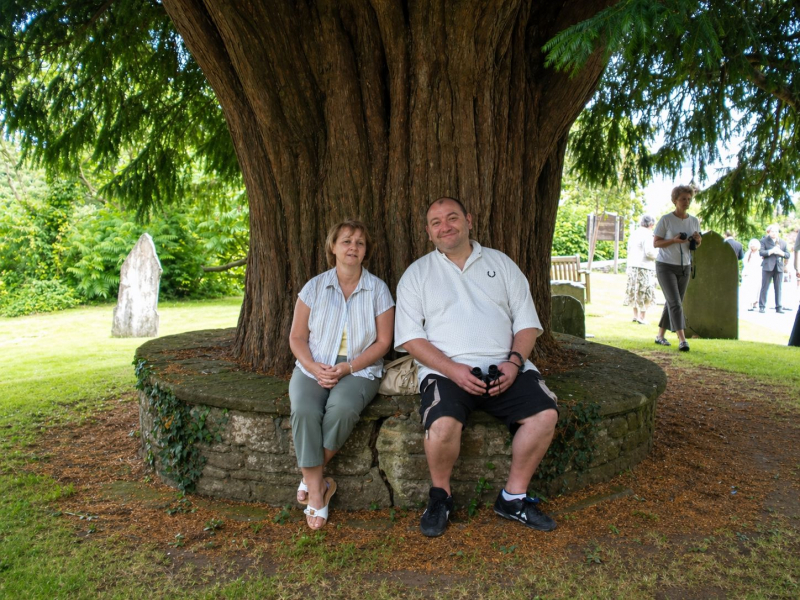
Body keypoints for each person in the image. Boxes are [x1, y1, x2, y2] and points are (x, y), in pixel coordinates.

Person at [394, 197, 559, 538]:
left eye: (452, 217)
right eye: (436, 222)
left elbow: (527, 323)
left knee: (545, 415)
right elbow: (411, 339)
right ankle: (440, 496)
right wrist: (453, 370)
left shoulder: (502, 264)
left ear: (468, 220)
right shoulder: (416, 275)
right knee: (442, 424)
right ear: (428, 232)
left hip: (505, 367)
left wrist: (514, 363)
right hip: (446, 371)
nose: (445, 226)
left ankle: (513, 498)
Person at [288, 220, 395, 530]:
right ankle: (319, 488)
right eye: (346, 241)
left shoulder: (378, 289)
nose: (353, 247)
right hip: (314, 365)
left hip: (360, 369)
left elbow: (384, 342)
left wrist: (349, 366)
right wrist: (312, 366)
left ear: (366, 252)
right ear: (332, 247)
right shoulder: (314, 287)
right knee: (305, 410)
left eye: (360, 243)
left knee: (343, 409)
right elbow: (296, 338)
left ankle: (312, 480)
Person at [652, 185, 703, 351]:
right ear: (675, 200)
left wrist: (697, 240)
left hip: (685, 267)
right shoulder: (666, 219)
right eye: (683, 199)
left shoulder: (694, 221)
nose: (686, 202)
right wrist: (673, 240)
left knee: (673, 302)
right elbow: (656, 243)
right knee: (675, 303)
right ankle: (682, 340)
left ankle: (660, 336)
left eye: (689, 199)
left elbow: (698, 243)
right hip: (666, 266)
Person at [623, 215, 658, 324]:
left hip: (632, 265)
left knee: (634, 290)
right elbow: (649, 252)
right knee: (645, 291)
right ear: (651, 224)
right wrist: (659, 254)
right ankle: (642, 317)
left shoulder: (634, 233)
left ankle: (635, 315)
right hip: (644, 267)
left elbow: (629, 249)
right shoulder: (648, 235)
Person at [758, 224, 790, 313]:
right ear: (769, 232)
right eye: (772, 231)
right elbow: (761, 252)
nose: (774, 233)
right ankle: (762, 306)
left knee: (778, 288)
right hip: (767, 267)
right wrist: (771, 251)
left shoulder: (783, 242)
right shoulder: (764, 241)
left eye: (776, 231)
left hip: (779, 267)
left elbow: (788, 254)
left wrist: (781, 253)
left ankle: (779, 307)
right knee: (765, 287)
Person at [741, 239, 763, 311]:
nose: (753, 245)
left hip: (757, 274)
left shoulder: (760, 254)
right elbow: (745, 264)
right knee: (749, 289)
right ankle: (750, 304)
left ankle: (755, 303)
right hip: (749, 274)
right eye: (751, 244)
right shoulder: (748, 253)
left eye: (754, 244)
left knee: (757, 289)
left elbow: (760, 264)